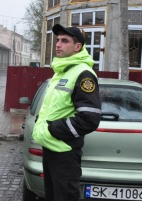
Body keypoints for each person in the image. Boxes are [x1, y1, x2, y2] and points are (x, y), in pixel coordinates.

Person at [32, 24, 101, 201]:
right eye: (57, 40)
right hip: (51, 148)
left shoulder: (83, 74)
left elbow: (89, 119)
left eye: (64, 41)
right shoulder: (62, 71)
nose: (58, 44)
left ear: (77, 47)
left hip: (64, 152)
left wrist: (54, 130)